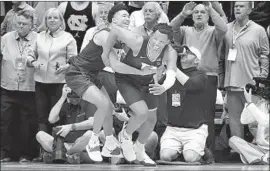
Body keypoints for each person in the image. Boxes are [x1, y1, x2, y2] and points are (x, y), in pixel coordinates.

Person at [65, 4, 154, 163]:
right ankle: (93, 142)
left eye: (128, 15)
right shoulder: (105, 35)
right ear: (113, 20)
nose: (127, 18)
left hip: (94, 74)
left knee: (108, 108)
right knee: (104, 105)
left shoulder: (119, 38)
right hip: (78, 73)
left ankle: (110, 143)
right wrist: (141, 71)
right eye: (123, 15)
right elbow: (116, 65)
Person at [102, 23, 178, 165]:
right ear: (151, 35)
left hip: (147, 81)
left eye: (161, 41)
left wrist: (164, 87)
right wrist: (105, 52)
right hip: (127, 80)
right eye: (155, 38)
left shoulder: (170, 52)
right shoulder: (137, 41)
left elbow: (172, 73)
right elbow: (115, 29)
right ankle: (125, 136)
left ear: (167, 42)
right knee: (141, 113)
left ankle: (139, 150)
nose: (157, 43)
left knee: (151, 120)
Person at [170, 2, 228, 154]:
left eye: (203, 12)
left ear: (208, 16)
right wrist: (183, 14)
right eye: (196, 12)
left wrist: (212, 10)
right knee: (187, 112)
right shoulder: (185, 30)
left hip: (208, 77)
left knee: (207, 115)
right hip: (187, 77)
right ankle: (188, 150)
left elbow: (223, 28)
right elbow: (170, 29)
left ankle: (208, 152)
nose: (199, 14)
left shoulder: (213, 31)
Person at [220, 1, 269, 139]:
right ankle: (238, 152)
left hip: (251, 85)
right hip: (231, 83)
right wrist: (222, 78)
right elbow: (220, 56)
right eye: (236, 6)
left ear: (249, 10)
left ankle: (261, 150)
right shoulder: (226, 29)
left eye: (241, 6)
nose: (237, 9)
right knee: (234, 122)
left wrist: (262, 77)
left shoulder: (258, 30)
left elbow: (265, 55)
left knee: (255, 122)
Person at [26, 8, 77, 137]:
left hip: (59, 83)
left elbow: (75, 60)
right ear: (46, 21)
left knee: (56, 116)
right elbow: (30, 54)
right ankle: (43, 152)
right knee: (41, 116)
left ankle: (57, 150)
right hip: (41, 82)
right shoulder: (39, 36)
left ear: (61, 21)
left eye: (55, 17)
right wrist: (33, 62)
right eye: (49, 18)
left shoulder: (68, 38)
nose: (52, 20)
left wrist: (66, 66)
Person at [157, 46, 209, 163]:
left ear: (196, 60)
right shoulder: (171, 74)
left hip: (194, 129)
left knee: (190, 158)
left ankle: (202, 151)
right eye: (184, 52)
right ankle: (183, 152)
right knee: (165, 157)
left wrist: (173, 67)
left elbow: (190, 84)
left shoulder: (201, 75)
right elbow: (157, 86)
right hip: (173, 128)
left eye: (190, 53)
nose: (184, 54)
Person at [0, 10, 37, 163]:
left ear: (32, 25)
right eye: (18, 23)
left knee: (26, 123)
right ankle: (5, 153)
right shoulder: (5, 38)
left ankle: (25, 154)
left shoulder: (38, 38)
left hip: (29, 87)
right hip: (7, 86)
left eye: (24, 24)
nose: (20, 26)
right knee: (5, 121)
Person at [36, 84, 95, 164]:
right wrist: (63, 97)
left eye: (76, 97)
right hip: (62, 145)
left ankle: (61, 155)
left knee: (90, 134)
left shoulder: (88, 104)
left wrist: (71, 127)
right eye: (71, 97)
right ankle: (66, 156)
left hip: (79, 144)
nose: (74, 100)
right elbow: (51, 119)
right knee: (40, 134)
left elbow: (92, 123)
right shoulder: (65, 106)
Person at [229, 80, 270, 165]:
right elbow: (244, 120)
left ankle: (258, 158)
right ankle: (263, 158)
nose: (261, 91)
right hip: (260, 148)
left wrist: (251, 104)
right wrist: (248, 102)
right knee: (233, 140)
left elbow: (265, 121)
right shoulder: (261, 104)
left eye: (264, 88)